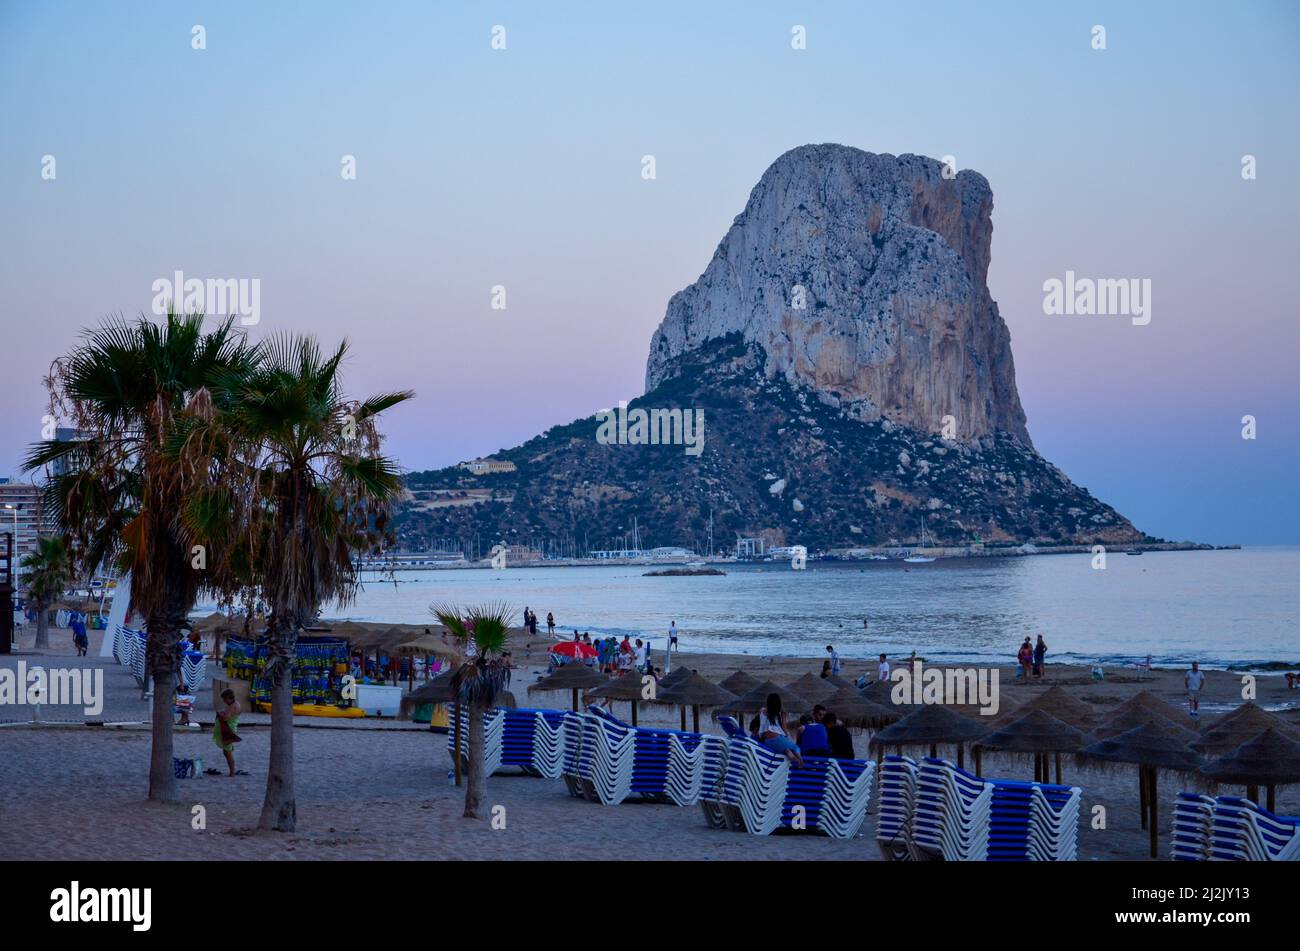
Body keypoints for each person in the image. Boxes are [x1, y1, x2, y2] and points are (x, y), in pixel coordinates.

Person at [758, 693, 804, 768]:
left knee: (786, 750)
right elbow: (785, 732)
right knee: (795, 747)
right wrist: (783, 718)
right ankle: (800, 760)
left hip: (766, 741)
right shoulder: (779, 715)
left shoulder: (762, 711)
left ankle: (790, 754)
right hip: (776, 737)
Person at [212, 688, 244, 777]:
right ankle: (232, 771)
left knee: (228, 751)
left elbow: (226, 718)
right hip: (229, 729)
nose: (224, 701)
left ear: (228, 697)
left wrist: (220, 714)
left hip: (228, 730)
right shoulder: (234, 704)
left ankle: (232, 772)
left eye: (224, 699)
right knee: (226, 751)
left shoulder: (233, 706)